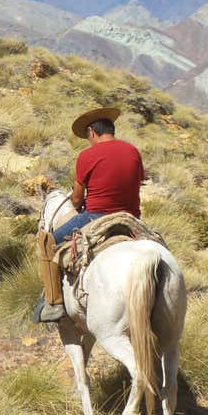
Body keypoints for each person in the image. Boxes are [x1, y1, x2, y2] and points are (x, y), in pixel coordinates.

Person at [35, 107, 145, 322]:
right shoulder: (133, 151)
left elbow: (76, 200)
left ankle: (53, 303)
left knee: (46, 242)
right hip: (131, 219)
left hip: (96, 216)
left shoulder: (88, 155)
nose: (89, 141)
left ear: (92, 133)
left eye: (88, 137)